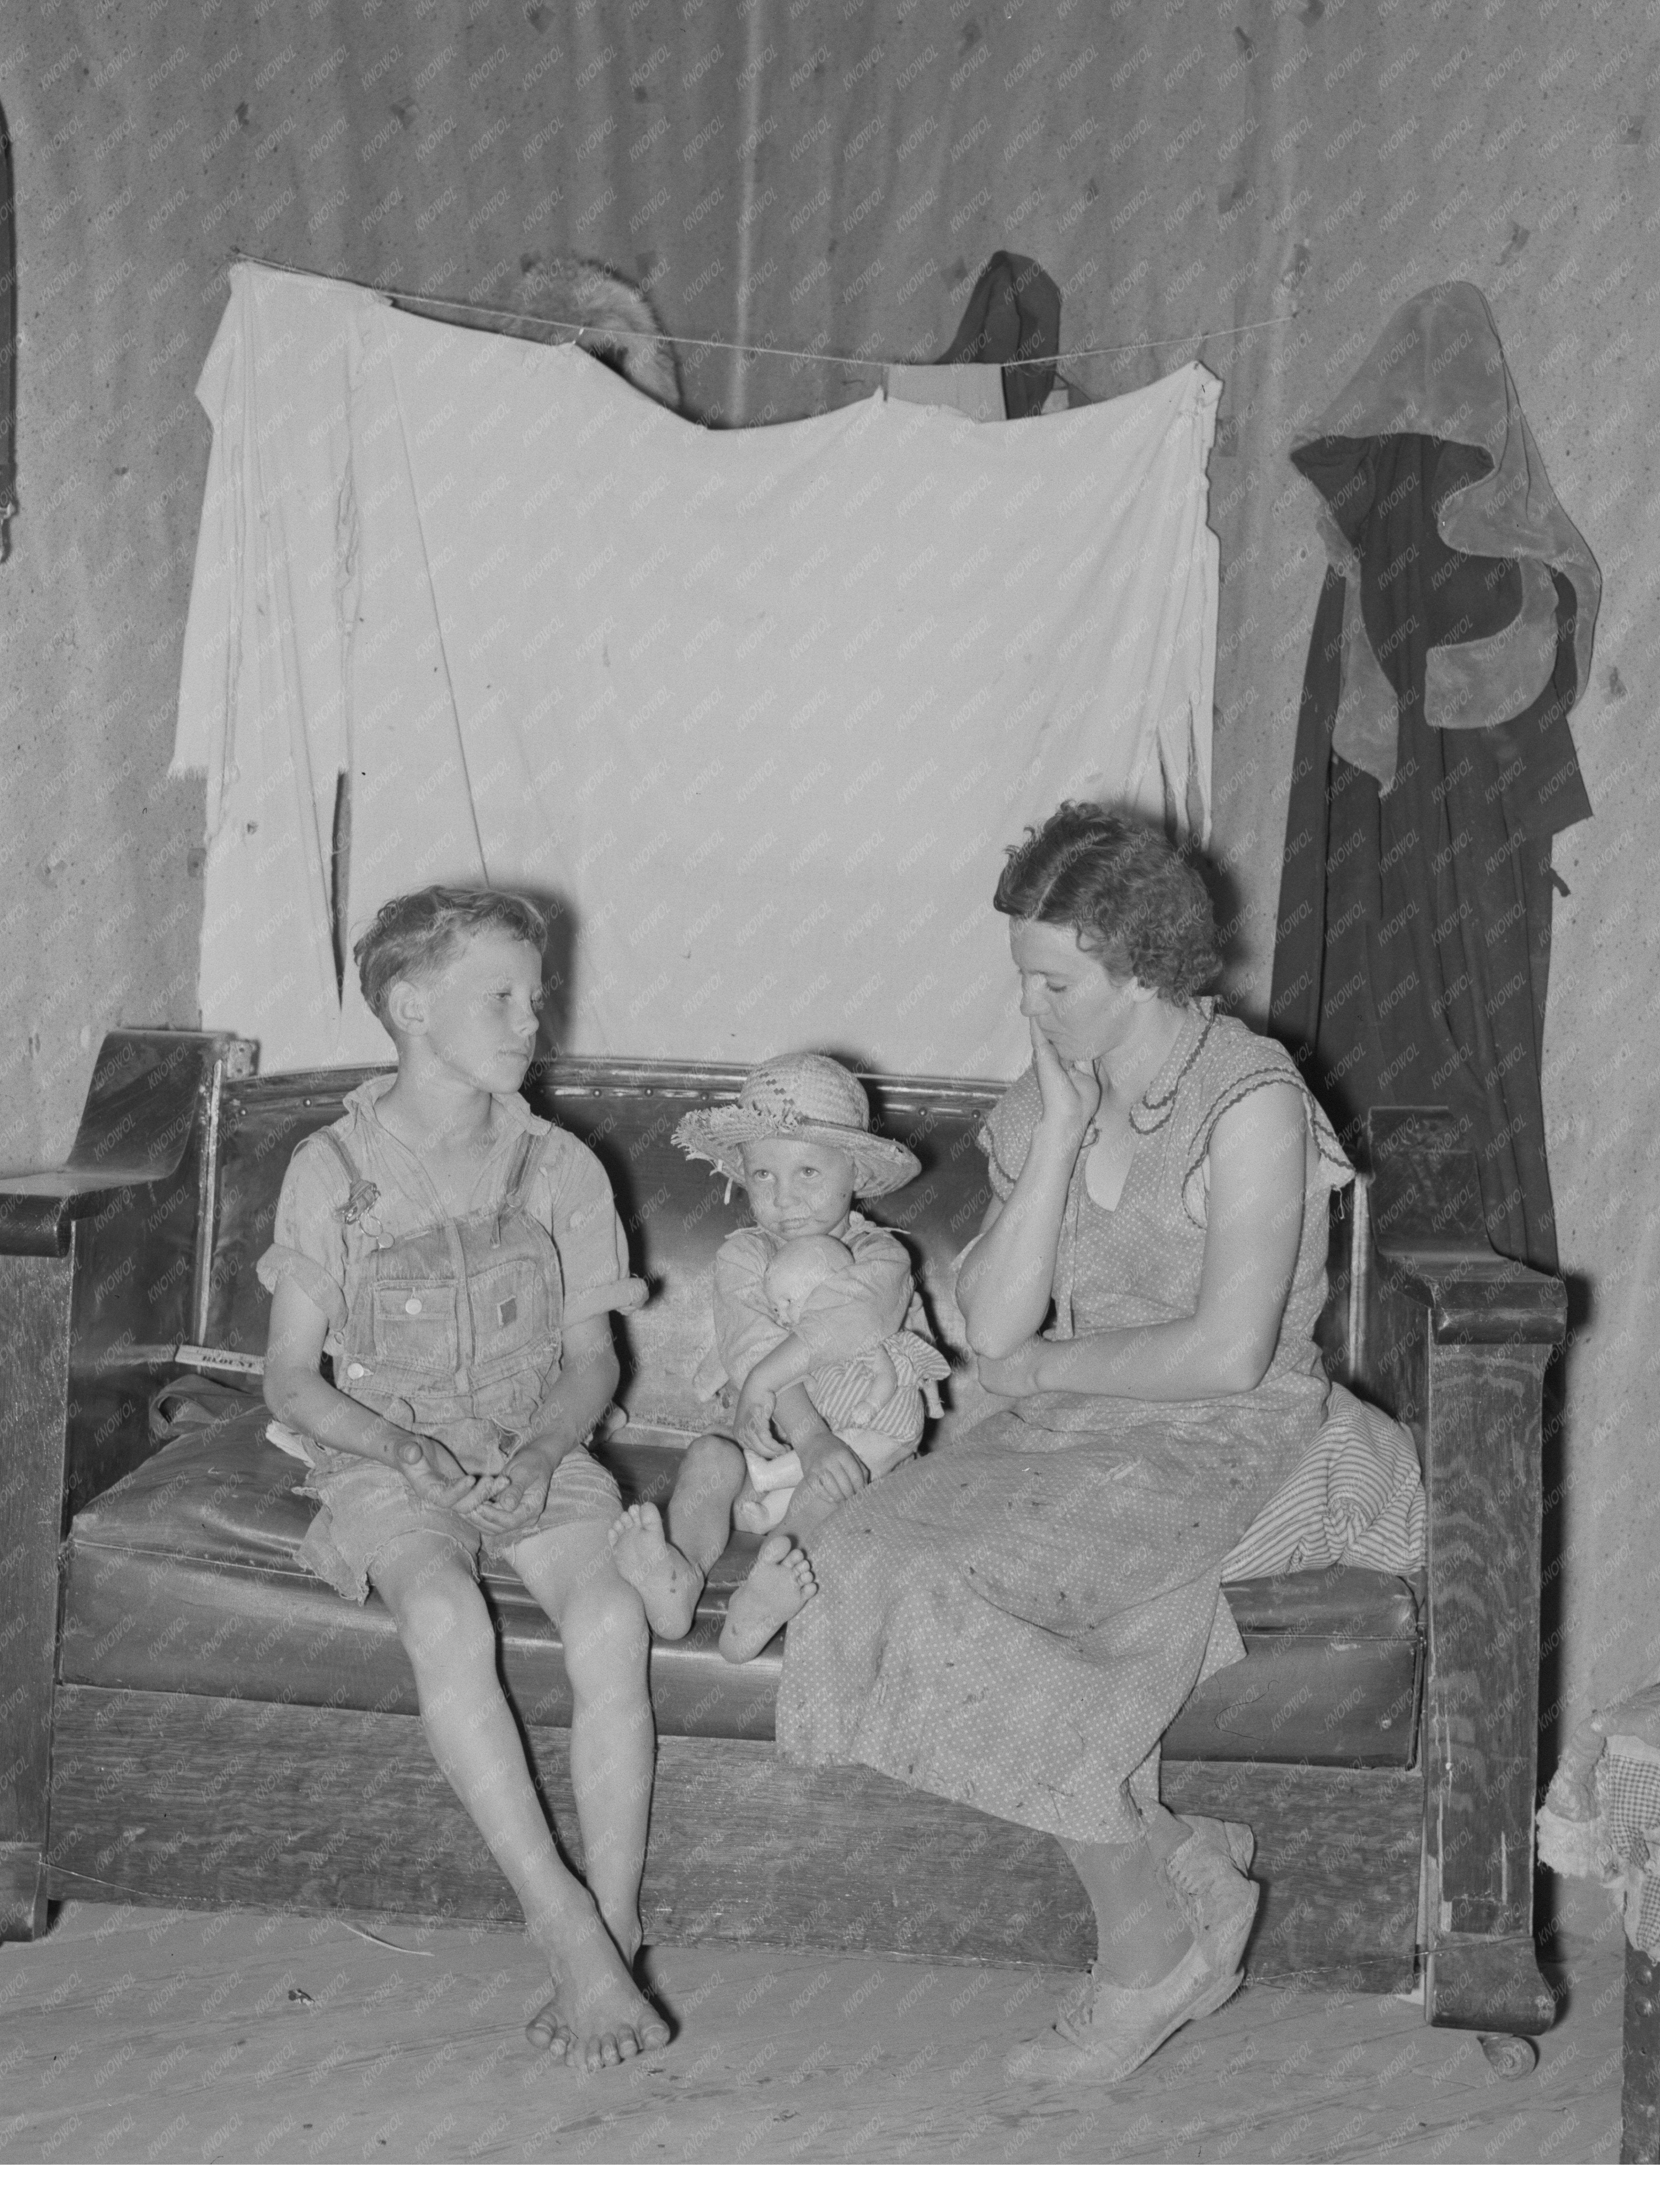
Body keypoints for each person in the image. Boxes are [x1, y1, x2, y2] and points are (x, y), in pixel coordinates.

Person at [775, 804, 1355, 2085]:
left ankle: (1145, 1949)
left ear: (1144, 964)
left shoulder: (1251, 1100)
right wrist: (1058, 1129)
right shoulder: (1057, 1086)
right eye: (1023, 980)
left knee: (949, 1581)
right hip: (1070, 1423)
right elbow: (989, 1324)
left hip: (1218, 1434)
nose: (1032, 1006)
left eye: (1055, 982)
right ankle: (1169, 1859)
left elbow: (1226, 1353)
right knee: (858, 1537)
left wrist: (1042, 1366)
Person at [258, 884, 669, 2074]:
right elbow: (292, 1380)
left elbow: (594, 1358)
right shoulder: (332, 1166)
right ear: (408, 1005)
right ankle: (561, 1916)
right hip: (389, 1448)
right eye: (498, 996)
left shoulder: (561, 1165)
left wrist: (544, 1449)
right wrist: (401, 1452)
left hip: (530, 1438)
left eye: (533, 997)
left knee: (606, 1615)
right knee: (440, 1607)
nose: (528, 1020)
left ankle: (619, 1924)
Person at [608, 1053, 949, 1663]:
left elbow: (850, 1323)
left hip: (859, 1446)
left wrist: (810, 1429)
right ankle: (679, 1571)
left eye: (808, 1172)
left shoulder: (881, 1257)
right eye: (763, 1175)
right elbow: (751, 1347)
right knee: (709, 1456)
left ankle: (767, 1590)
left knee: (831, 1481)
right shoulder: (743, 1256)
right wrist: (798, 1426)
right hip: (770, 1444)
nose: (784, 1198)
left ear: (855, 1177)